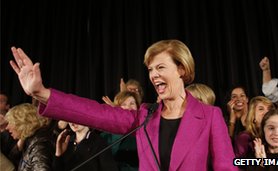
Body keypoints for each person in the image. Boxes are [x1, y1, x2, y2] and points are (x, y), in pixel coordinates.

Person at [9, 39, 237, 170]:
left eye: (160, 67)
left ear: (181, 69)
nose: (153, 75)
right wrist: (42, 92)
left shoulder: (210, 116)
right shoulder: (145, 115)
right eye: (150, 69)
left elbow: (226, 168)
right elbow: (93, 113)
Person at [5, 103, 54, 171]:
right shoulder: (30, 139)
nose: (7, 128)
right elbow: (12, 158)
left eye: (11, 122)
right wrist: (22, 138)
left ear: (22, 123)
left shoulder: (39, 144)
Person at [53, 122, 118, 171]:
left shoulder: (99, 142)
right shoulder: (66, 142)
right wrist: (58, 155)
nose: (72, 123)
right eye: (70, 119)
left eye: (76, 118)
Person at [234, 96, 274, 170]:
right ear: (253, 116)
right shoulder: (244, 137)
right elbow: (238, 163)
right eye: (261, 109)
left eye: (269, 109)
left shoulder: (276, 136)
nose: (267, 112)